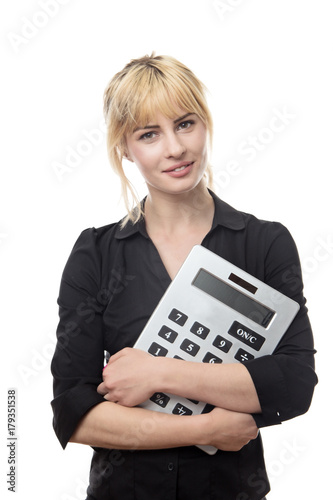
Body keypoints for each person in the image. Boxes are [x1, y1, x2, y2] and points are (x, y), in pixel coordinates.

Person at [50, 54, 317, 500]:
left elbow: (292, 383)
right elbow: (75, 414)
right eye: (149, 134)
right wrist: (209, 426)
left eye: (186, 124)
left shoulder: (264, 243)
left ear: (205, 125)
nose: (174, 148)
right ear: (124, 147)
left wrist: (157, 372)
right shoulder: (95, 255)